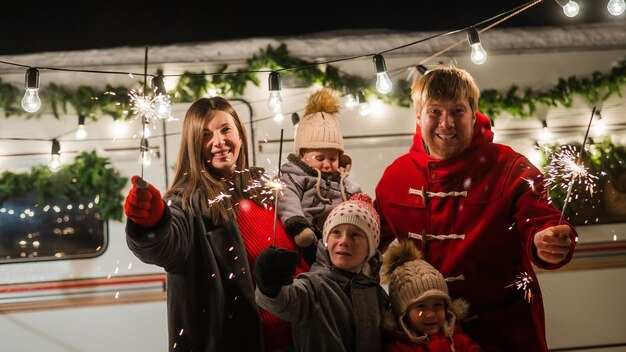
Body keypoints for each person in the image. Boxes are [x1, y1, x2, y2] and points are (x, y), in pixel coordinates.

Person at [374, 65, 577, 352]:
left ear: (473, 115)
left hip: (505, 334)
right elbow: (367, 242)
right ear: (419, 117)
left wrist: (548, 241)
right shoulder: (396, 179)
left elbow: (544, 223)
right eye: (435, 112)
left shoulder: (511, 168)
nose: (446, 124)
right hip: (428, 340)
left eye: (457, 111)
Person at [124, 96, 309, 352]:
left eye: (225, 130)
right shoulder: (187, 202)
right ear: (193, 145)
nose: (218, 141)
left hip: (303, 338)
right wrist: (152, 222)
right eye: (205, 135)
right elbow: (167, 247)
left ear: (240, 136)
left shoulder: (266, 185)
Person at [254, 193, 389, 352]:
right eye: (336, 232)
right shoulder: (313, 286)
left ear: (370, 248)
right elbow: (285, 300)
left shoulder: (379, 295)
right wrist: (269, 284)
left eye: (355, 234)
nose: (343, 241)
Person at [278, 87, 361, 265]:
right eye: (319, 158)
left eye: (333, 158)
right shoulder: (294, 176)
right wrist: (298, 226)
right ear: (302, 156)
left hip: (340, 238)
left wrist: (361, 203)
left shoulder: (342, 182)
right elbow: (287, 198)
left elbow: (354, 197)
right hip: (310, 237)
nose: (327, 164)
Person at [382, 240, 482, 351]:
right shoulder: (397, 348)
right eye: (421, 307)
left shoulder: (456, 338)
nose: (430, 314)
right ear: (402, 313)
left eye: (438, 305)